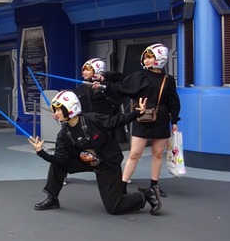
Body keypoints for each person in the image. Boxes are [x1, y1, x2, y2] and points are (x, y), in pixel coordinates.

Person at [29, 90, 162, 215]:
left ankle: (146, 194)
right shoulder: (63, 134)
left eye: (58, 109)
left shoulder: (92, 119)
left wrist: (137, 113)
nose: (55, 113)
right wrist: (41, 152)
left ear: (70, 107)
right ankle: (52, 198)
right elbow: (60, 159)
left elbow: (116, 121)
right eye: (55, 110)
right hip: (86, 161)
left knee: (114, 207)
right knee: (58, 164)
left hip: (107, 163)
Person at [96, 44, 181, 197]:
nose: (146, 60)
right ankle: (122, 186)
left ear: (160, 59)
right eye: (145, 58)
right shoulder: (139, 76)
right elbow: (121, 88)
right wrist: (104, 86)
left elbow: (173, 101)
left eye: (150, 57)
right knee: (134, 153)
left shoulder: (168, 80)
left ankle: (154, 186)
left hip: (161, 119)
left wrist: (174, 121)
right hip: (141, 116)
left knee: (157, 153)